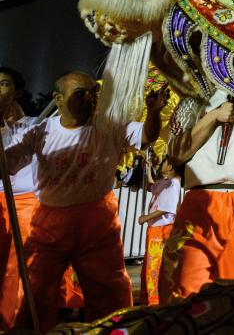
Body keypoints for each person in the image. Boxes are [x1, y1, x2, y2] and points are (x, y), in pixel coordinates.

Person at [4, 71, 168, 330]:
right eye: (81, 93)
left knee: (110, 290)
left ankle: (114, 330)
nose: (90, 98)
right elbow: (7, 164)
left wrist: (154, 113)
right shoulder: (41, 132)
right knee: (36, 290)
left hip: (97, 220)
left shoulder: (110, 126)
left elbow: (146, 137)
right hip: (50, 220)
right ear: (58, 99)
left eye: (93, 92)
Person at [158, 92, 234, 303]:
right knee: (183, 291)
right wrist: (214, 116)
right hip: (200, 202)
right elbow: (175, 154)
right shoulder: (192, 98)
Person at [0, 67, 38, 328]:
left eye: (4, 84)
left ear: (17, 92)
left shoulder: (33, 126)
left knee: (16, 268)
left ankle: (11, 322)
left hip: (23, 204)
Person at [137, 157, 181, 305]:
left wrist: (145, 218)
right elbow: (151, 187)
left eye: (164, 163)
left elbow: (166, 208)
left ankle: (154, 301)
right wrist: (148, 169)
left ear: (171, 167)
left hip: (162, 228)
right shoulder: (165, 182)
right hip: (154, 228)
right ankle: (146, 298)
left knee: (154, 266)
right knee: (148, 265)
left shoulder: (173, 184)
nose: (161, 164)